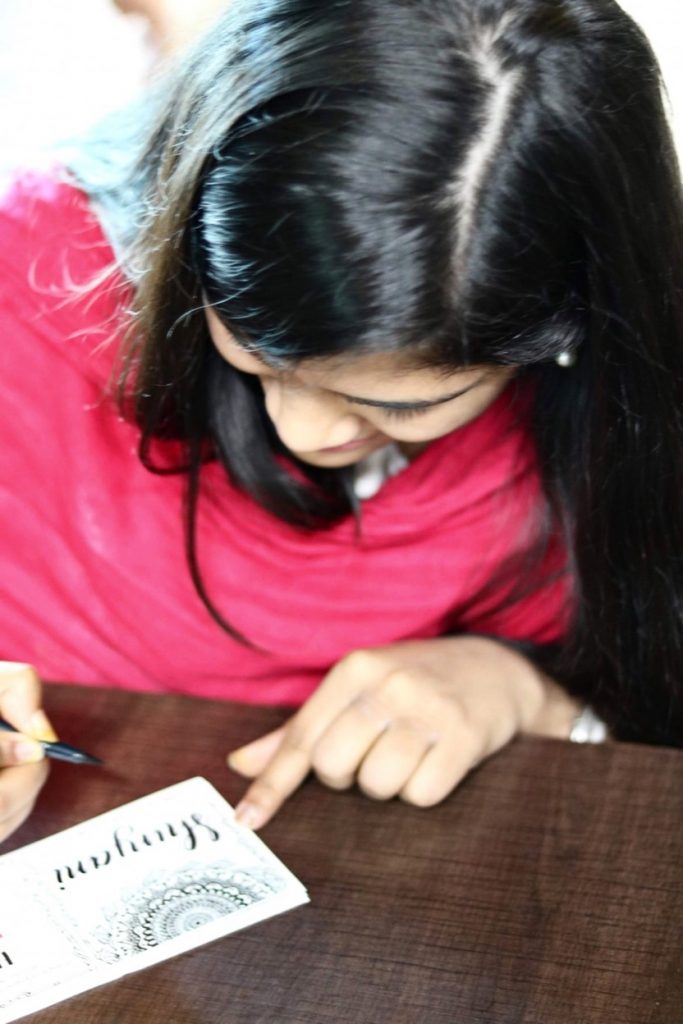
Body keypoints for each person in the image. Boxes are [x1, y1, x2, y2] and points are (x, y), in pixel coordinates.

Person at [1, 0, 682, 843]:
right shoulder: (28, 288)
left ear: (566, 334)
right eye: (255, 356)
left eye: (398, 405)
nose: (300, 434)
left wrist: (523, 689)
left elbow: (642, 689)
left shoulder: (615, 423)